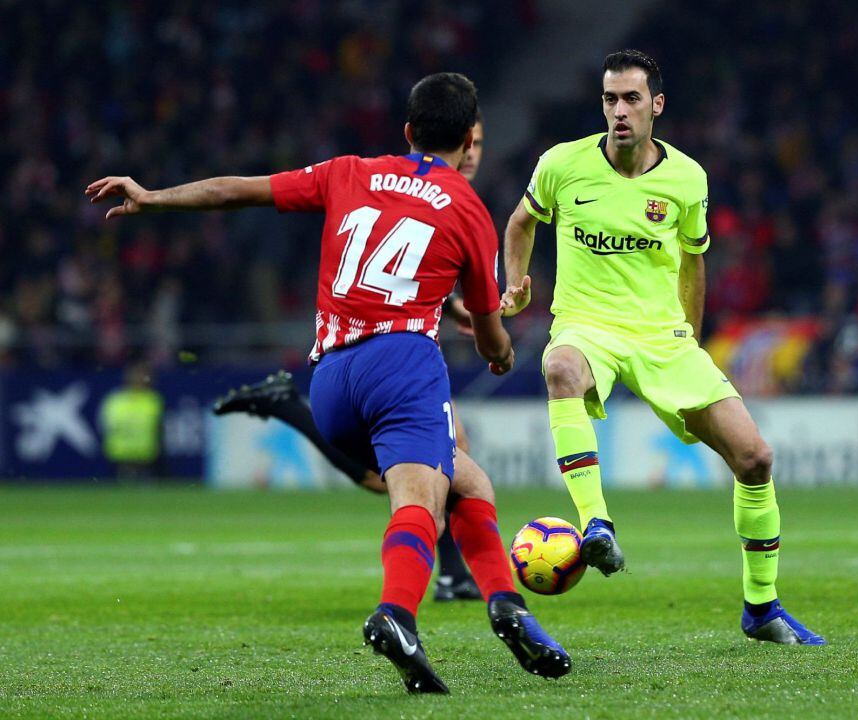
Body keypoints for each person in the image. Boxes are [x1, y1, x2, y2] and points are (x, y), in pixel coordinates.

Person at [87, 73, 571, 693]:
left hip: (330, 376)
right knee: (418, 503)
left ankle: (508, 608)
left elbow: (241, 190)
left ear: (406, 132)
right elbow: (489, 332)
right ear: (469, 138)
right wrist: (501, 354)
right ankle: (397, 612)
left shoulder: (350, 172)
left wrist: (154, 197)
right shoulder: (469, 209)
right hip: (401, 364)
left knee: (468, 480)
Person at [501, 50, 825, 645]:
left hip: (661, 337)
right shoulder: (561, 164)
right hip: (587, 324)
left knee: (754, 458)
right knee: (560, 366)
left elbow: (692, 264)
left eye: (629, 100)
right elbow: (521, 222)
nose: (618, 112)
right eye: (608, 99)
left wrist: (690, 343)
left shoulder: (687, 178)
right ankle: (596, 522)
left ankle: (762, 608)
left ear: (657, 105)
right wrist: (515, 284)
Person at [212, 118, 489, 602]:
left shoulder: (430, 195)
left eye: (481, 145)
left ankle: (451, 574)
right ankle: (446, 580)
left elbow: (397, 270)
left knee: (431, 469)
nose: (473, 155)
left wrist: (451, 307)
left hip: (383, 359)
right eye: (472, 144)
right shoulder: (443, 197)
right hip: (391, 361)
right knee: (428, 470)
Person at [99, 361, 165, 481]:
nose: (138, 379)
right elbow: (105, 425)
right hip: (119, 456)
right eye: (136, 375)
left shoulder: (153, 399)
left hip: (145, 456)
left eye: (142, 375)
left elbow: (159, 428)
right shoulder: (115, 400)